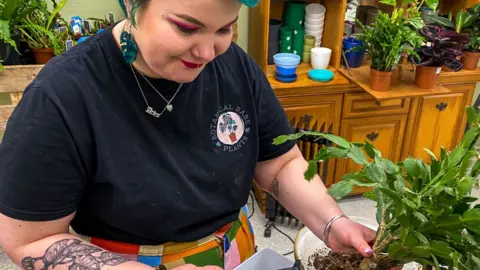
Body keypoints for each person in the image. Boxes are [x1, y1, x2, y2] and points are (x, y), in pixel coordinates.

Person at [0, 0, 376, 269]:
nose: (208, 51)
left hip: (234, 253)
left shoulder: (235, 64)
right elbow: (30, 240)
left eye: (225, 29)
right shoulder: (62, 97)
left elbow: (278, 163)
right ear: (132, 5)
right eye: (185, 27)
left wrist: (331, 222)